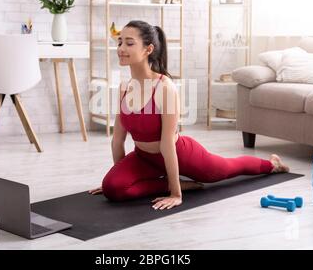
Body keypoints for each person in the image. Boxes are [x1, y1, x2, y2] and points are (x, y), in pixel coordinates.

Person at [89, 20, 289, 210]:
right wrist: (120, 176)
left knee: (226, 169)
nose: (121, 48)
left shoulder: (164, 87)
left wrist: (176, 194)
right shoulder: (124, 88)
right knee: (113, 189)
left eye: (129, 43)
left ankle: (272, 165)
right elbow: (117, 140)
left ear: (148, 49)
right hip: (143, 158)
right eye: (120, 42)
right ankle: (165, 184)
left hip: (180, 154)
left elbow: (167, 143)